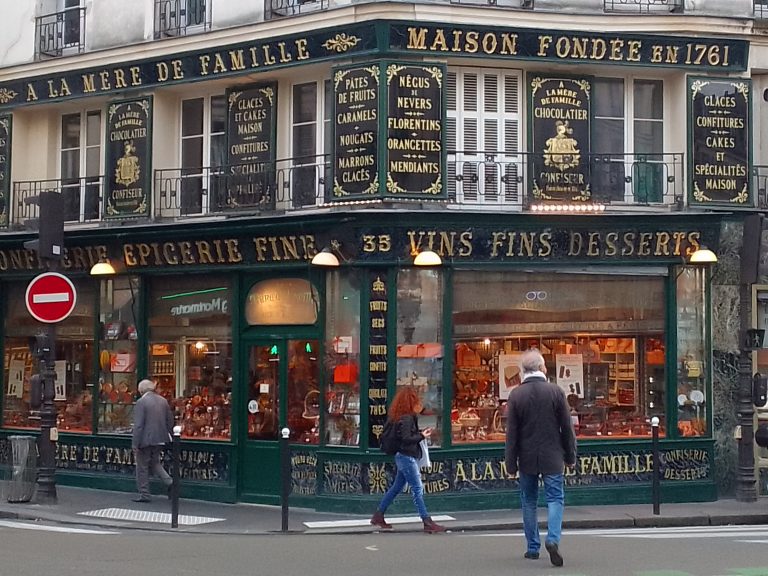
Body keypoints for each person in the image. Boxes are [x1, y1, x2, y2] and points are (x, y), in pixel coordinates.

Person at [505, 349, 577, 567]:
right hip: (552, 455)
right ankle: (552, 539)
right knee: (555, 498)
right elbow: (567, 428)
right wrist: (570, 455)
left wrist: (510, 464)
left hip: (526, 457)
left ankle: (532, 547)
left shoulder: (516, 395)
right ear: (542, 367)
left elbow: (511, 434)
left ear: (523, 370)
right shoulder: (555, 392)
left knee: (529, 501)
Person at [370, 386, 446, 533]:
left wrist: (419, 433)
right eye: (416, 400)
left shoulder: (398, 416)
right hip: (407, 457)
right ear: (411, 402)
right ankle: (427, 521)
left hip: (402, 456)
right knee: (417, 489)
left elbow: (403, 436)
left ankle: (378, 515)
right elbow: (406, 438)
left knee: (396, 487)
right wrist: (422, 435)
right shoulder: (407, 418)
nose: (419, 404)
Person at [132, 378, 174, 503]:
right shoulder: (163, 401)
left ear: (141, 390)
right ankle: (170, 482)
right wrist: (171, 436)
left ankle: (144, 494)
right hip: (160, 438)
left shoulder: (141, 402)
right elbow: (170, 421)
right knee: (155, 462)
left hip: (145, 439)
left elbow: (138, 425)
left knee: (142, 467)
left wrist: (135, 443)